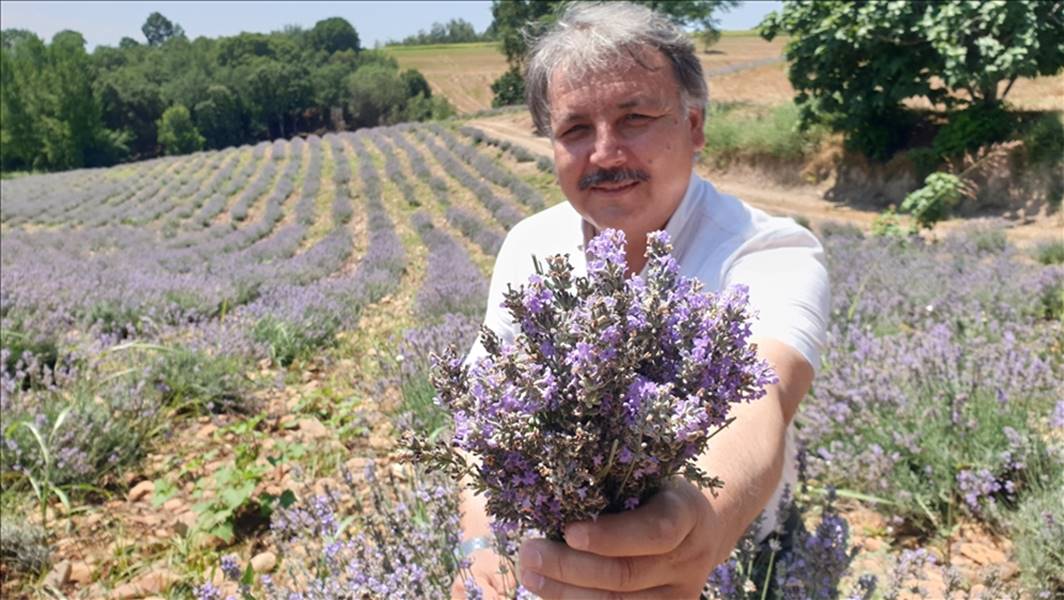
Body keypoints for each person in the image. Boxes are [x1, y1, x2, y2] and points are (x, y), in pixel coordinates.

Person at [455, 3, 830, 598]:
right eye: (575, 129)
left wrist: (694, 523)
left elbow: (764, 396)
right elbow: (485, 418)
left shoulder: (768, 250)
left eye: (635, 117)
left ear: (695, 126)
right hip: (548, 566)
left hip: (722, 568)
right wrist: (478, 548)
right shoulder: (531, 244)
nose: (604, 153)